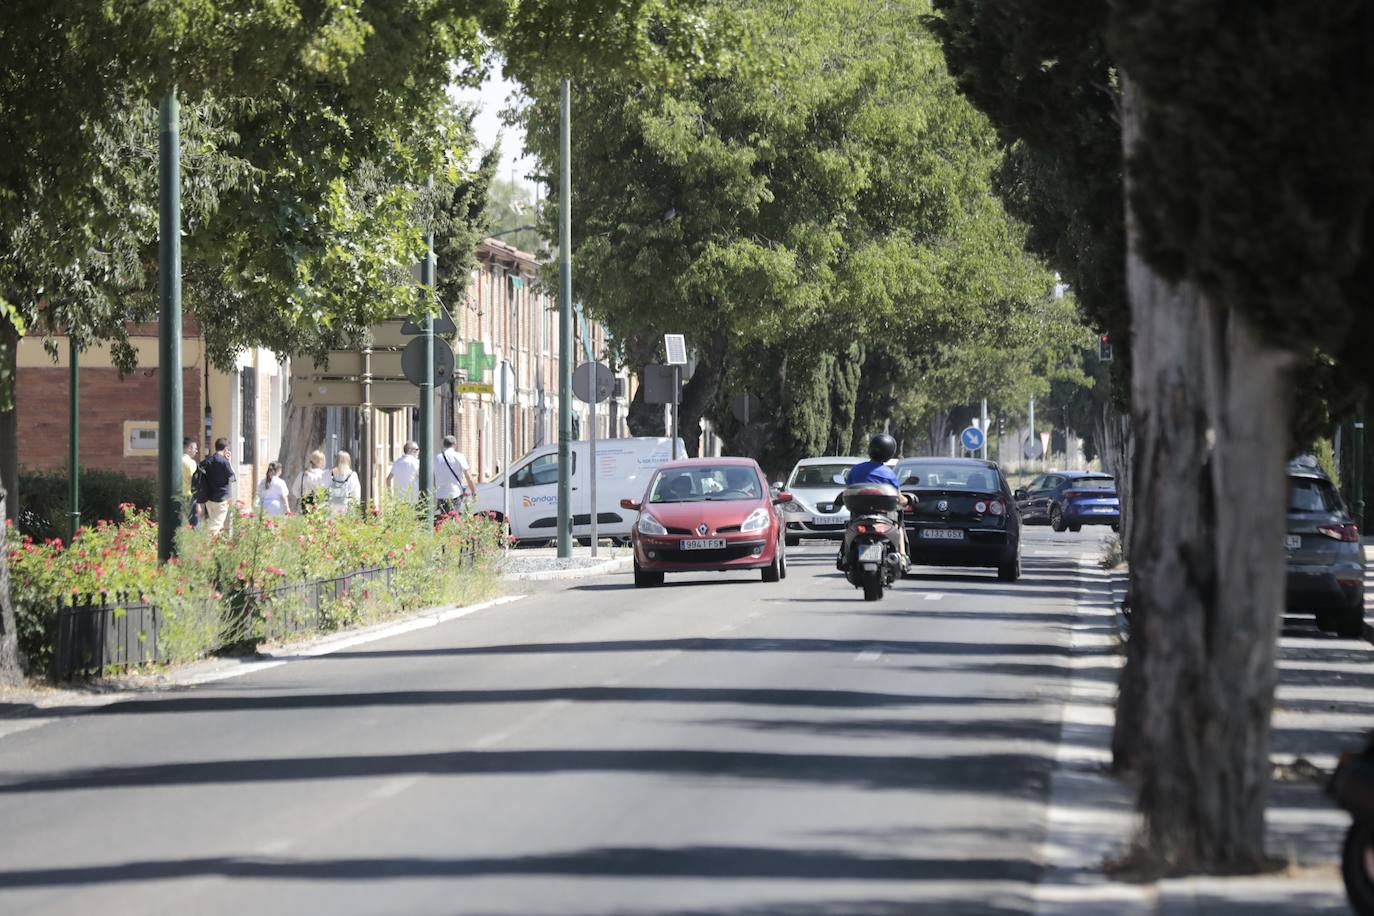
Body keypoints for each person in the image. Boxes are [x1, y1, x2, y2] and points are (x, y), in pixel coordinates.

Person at [840, 433, 913, 562]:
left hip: (858, 516)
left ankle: (844, 555)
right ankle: (902, 557)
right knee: (899, 526)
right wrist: (907, 500)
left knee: (848, 528)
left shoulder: (855, 470)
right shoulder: (888, 474)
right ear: (890, 453)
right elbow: (898, 496)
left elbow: (848, 488)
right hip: (884, 517)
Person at [200, 437, 237, 535]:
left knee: (214, 523)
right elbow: (233, 478)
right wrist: (228, 461)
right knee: (216, 527)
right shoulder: (224, 462)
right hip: (221, 500)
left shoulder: (207, 461)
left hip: (209, 499)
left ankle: (213, 545)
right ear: (225, 450)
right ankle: (206, 544)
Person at [434, 435, 476, 516]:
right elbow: (469, 477)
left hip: (440, 494)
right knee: (452, 517)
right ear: (455, 444)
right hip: (455, 492)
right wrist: (474, 492)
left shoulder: (436, 457)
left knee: (443, 518)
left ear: (444, 444)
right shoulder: (459, 456)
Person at [325, 451, 361, 516]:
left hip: (331, 508)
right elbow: (356, 495)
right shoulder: (352, 475)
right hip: (346, 510)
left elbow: (323, 489)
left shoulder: (330, 473)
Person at [181, 437, 201, 527]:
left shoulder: (176, 460)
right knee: (194, 524)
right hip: (190, 496)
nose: (196, 451)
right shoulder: (191, 463)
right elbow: (196, 482)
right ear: (189, 449)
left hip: (177, 495)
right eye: (195, 448)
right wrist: (199, 503)